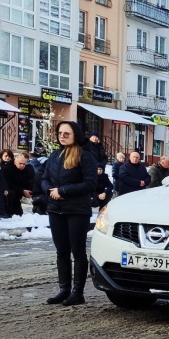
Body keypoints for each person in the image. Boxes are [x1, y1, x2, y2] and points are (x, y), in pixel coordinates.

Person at [41, 121, 98, 306]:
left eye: (67, 133)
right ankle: (64, 289)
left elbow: (90, 184)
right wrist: (49, 189)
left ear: (76, 135)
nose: (62, 136)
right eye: (60, 133)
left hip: (77, 210)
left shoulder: (85, 155)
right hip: (55, 209)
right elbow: (44, 179)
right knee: (62, 252)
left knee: (78, 251)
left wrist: (63, 191)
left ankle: (77, 293)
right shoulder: (55, 155)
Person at [2, 151, 35, 217]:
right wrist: (22, 191)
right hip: (8, 195)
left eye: (24, 164)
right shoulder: (7, 169)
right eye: (20, 163)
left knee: (19, 214)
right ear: (15, 162)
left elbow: (30, 182)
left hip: (18, 194)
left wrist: (29, 191)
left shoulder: (27, 170)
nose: (22, 165)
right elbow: (8, 185)